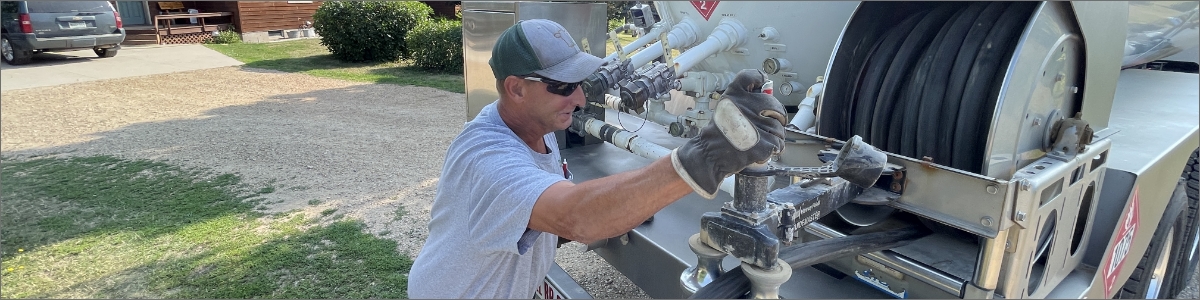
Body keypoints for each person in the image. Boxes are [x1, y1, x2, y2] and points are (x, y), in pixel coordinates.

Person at [407, 19, 787, 299]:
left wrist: (622, 207)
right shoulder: (486, 159)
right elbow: (575, 216)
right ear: (516, 88)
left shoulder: (535, 130)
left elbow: (558, 214)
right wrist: (708, 155)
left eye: (580, 83)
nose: (579, 99)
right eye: (563, 86)